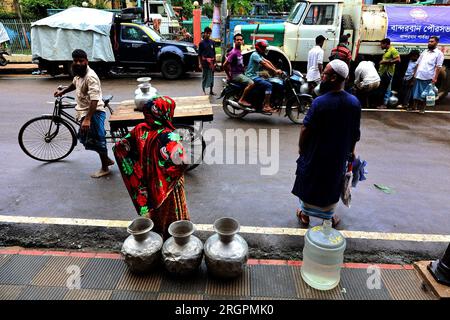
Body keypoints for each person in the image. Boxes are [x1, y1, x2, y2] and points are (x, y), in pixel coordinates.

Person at [292, 59, 361, 227]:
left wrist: (301, 148)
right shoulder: (354, 103)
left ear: (333, 78)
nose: (322, 77)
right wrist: (351, 151)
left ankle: (305, 215)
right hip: (338, 155)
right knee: (332, 183)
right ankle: (328, 216)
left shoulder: (320, 102)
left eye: (325, 74)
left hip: (315, 153)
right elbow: (354, 133)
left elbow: (305, 129)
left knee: (309, 181)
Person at [113, 96, 190, 239]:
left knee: (155, 211)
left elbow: (120, 147)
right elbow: (183, 161)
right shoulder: (169, 136)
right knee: (173, 213)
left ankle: (155, 237)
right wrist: (170, 176)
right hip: (168, 186)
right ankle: (174, 239)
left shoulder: (139, 130)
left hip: (148, 181)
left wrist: (137, 168)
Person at [54, 49, 114, 178]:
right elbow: (74, 84)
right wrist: (62, 92)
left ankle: (105, 168)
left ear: (86, 61)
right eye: (75, 61)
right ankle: (106, 160)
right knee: (86, 137)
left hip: (94, 111)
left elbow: (94, 100)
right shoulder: (78, 73)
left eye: (81, 61)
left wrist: (88, 119)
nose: (78, 63)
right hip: (84, 111)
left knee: (98, 140)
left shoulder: (90, 77)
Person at [245, 39, 283, 113]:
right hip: (252, 76)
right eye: (263, 47)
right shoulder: (255, 55)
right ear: (259, 47)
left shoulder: (259, 55)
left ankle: (262, 100)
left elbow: (267, 61)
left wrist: (276, 70)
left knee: (269, 79)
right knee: (269, 85)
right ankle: (266, 105)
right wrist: (275, 71)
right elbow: (264, 64)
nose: (265, 49)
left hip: (256, 74)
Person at [412, 36, 444, 114]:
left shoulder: (439, 54)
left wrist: (435, 78)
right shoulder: (425, 52)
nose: (429, 43)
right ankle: (414, 106)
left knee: (425, 94)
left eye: (432, 41)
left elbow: (438, 67)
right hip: (419, 75)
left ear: (436, 43)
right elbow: (417, 63)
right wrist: (414, 74)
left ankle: (422, 108)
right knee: (416, 93)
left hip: (428, 77)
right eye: (429, 41)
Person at [222, 33, 255, 107]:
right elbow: (224, 65)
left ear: (242, 41)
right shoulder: (234, 53)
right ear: (234, 41)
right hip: (236, 75)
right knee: (251, 83)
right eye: (237, 40)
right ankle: (241, 100)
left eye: (240, 40)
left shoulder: (239, 51)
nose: (239, 41)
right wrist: (229, 75)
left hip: (240, 73)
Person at [377, 38, 400, 109]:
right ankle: (383, 103)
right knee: (383, 88)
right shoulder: (387, 51)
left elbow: (398, 59)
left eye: (381, 44)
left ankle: (385, 104)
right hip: (383, 72)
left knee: (387, 89)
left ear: (386, 44)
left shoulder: (392, 50)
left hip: (388, 73)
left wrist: (386, 62)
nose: (380, 46)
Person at [198, 27, 216, 95]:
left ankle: (211, 91)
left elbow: (214, 53)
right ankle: (203, 90)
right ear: (204, 33)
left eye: (209, 33)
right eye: (207, 33)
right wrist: (199, 63)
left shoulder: (212, 42)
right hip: (204, 62)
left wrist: (215, 62)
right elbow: (199, 54)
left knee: (212, 77)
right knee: (205, 76)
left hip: (212, 63)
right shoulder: (201, 43)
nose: (208, 35)